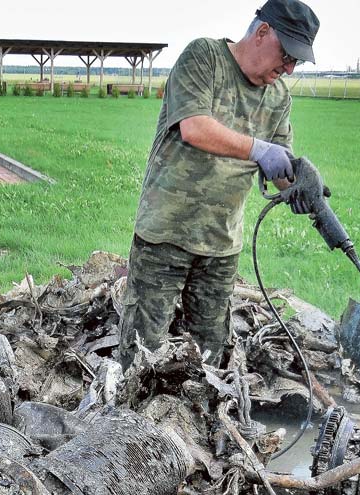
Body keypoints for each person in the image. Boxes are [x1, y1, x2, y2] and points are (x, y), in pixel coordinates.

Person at [118, 0, 320, 369]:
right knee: (140, 352)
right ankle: (124, 422)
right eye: (287, 55)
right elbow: (194, 127)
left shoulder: (278, 98)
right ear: (262, 33)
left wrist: (299, 181)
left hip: (221, 245)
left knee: (210, 358)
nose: (289, 68)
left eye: (297, 63)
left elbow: (279, 170)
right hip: (166, 234)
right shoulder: (205, 57)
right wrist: (258, 149)